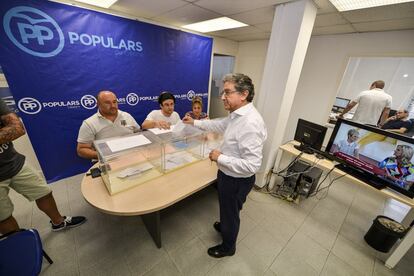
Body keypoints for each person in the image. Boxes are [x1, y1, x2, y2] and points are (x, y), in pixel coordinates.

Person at [183, 73, 267, 258]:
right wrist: (195, 122)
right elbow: (220, 125)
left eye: (227, 92)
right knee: (227, 208)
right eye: (223, 92)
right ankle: (225, 226)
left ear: (244, 94)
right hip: (227, 175)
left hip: (236, 180)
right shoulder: (236, 116)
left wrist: (220, 157)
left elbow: (252, 165)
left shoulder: (250, 123)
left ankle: (228, 247)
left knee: (231, 212)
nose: (222, 97)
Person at [0, 99, 86, 234]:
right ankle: (18, 244)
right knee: (3, 216)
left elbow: (17, 129)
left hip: (14, 162)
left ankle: (58, 222)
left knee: (44, 193)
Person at [77, 91, 140, 159]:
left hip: (133, 156)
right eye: (107, 103)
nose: (113, 106)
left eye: (114, 102)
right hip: (108, 161)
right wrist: (105, 157)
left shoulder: (127, 116)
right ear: (98, 104)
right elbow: (81, 150)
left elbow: (139, 133)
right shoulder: (89, 123)